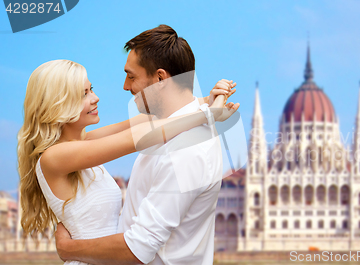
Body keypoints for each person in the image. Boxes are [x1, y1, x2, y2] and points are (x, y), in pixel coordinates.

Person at [53, 25, 240, 265]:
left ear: (160, 78)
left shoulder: (185, 149)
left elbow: (137, 249)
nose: (125, 86)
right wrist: (205, 105)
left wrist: (69, 250)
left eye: (132, 76)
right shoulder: (168, 129)